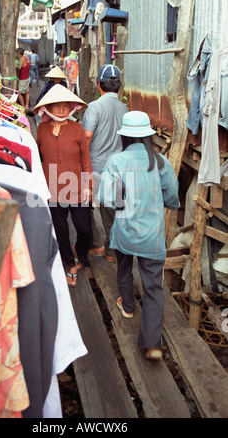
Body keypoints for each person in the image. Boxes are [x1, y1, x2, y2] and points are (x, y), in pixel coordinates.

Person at [98, 111, 180, 361]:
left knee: (123, 268)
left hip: (125, 231)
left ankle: (129, 307)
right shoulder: (160, 162)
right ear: (148, 137)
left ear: (125, 137)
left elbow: (107, 199)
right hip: (152, 235)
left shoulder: (115, 161)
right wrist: (166, 202)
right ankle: (153, 344)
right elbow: (172, 197)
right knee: (154, 287)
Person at [33, 84, 93, 288]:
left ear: (71, 108)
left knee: (84, 228)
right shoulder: (42, 129)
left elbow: (86, 159)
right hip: (52, 187)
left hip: (76, 185)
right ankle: (68, 263)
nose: (60, 110)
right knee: (60, 229)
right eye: (56, 106)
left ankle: (80, 254)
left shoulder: (77, 129)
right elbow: (37, 157)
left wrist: (87, 185)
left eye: (64, 106)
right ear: (48, 109)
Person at [82, 64, 128, 262]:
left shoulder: (95, 107)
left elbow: (86, 136)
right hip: (118, 168)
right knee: (111, 210)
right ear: (119, 86)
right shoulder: (125, 108)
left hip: (95, 167)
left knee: (85, 206)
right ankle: (111, 250)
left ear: (98, 84)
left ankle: (94, 244)